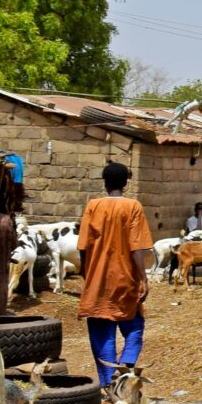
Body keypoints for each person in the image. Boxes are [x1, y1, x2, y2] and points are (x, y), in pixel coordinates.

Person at [78, 161, 154, 387]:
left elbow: (83, 246)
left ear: (105, 183)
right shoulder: (133, 207)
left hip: (98, 279)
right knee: (134, 326)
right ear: (125, 183)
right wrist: (143, 277)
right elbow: (137, 246)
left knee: (102, 331)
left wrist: (86, 274)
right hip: (126, 278)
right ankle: (127, 365)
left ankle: (109, 381)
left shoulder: (93, 206)